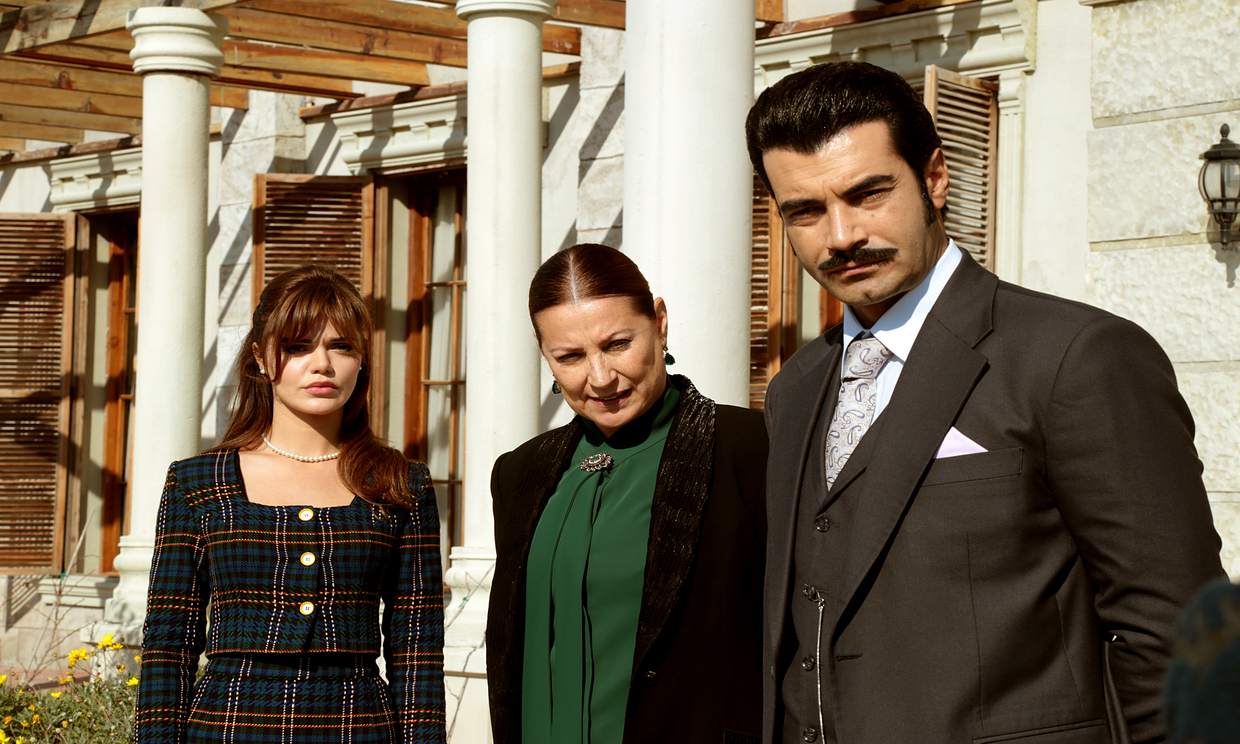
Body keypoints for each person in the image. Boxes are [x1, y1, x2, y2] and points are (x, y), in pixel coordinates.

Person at [744, 61, 1225, 744]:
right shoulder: (795, 388)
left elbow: (1175, 632)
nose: (841, 235)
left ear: (935, 177)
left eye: (868, 194)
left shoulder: (1074, 356)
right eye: (806, 211)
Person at [134, 265, 446, 743]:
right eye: (298, 347)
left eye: (342, 347)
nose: (322, 364)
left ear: (362, 360)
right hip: (226, 728)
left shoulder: (401, 484)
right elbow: (168, 644)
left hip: (359, 728)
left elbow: (418, 648)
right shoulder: (196, 483)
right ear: (260, 357)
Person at [486, 243, 767, 744]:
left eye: (617, 344)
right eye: (570, 356)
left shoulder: (752, 448)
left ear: (659, 323)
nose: (600, 378)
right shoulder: (519, 473)